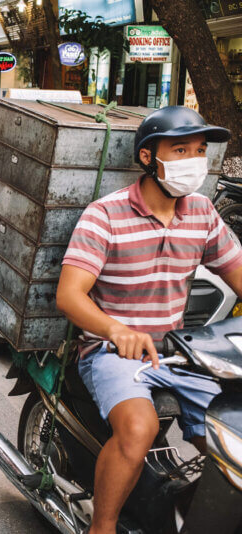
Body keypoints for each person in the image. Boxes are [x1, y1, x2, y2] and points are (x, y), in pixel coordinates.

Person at [56, 106, 242, 534]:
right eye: (181, 150)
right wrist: (116, 329)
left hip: (179, 353)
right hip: (112, 352)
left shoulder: (202, 212)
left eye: (200, 150)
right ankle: (101, 527)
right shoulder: (105, 214)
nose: (194, 160)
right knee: (139, 429)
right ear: (147, 157)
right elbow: (69, 294)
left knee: (231, 435)